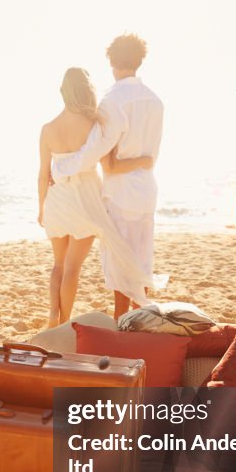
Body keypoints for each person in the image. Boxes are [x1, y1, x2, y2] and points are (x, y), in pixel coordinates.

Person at [52, 33, 163, 319]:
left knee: (120, 266)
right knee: (141, 262)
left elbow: (93, 151)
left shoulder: (112, 101)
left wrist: (61, 168)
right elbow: (151, 158)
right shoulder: (155, 101)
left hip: (120, 193)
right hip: (147, 192)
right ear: (139, 61)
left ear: (112, 62)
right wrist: (137, 161)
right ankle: (143, 326)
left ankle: (123, 324)